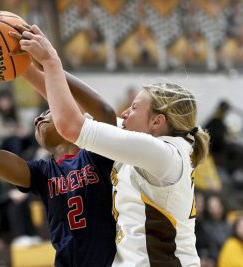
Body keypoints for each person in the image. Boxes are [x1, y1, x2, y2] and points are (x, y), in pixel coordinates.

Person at [20, 24, 211, 266]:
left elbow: (69, 125)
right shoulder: (147, 144)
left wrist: (51, 62)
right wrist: (23, 66)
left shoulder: (161, 154)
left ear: (156, 121)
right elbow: (68, 108)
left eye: (134, 107)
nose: (125, 112)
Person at [0, 27, 116, 266]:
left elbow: (104, 112)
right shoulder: (42, 173)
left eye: (47, 112)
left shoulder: (98, 155)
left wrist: (47, 63)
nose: (37, 119)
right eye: (39, 115)